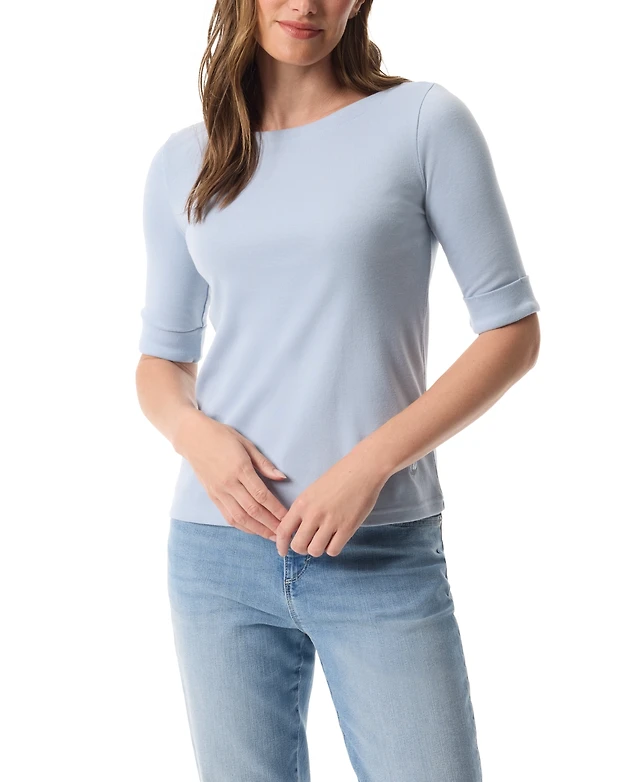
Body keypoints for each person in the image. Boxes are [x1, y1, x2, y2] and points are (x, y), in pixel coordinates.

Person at [135, 1, 541, 780]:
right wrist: (197, 438)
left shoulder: (422, 122)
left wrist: (369, 465)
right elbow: (160, 361)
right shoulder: (185, 160)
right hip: (219, 552)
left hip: (380, 549)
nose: (306, 4)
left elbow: (511, 332)